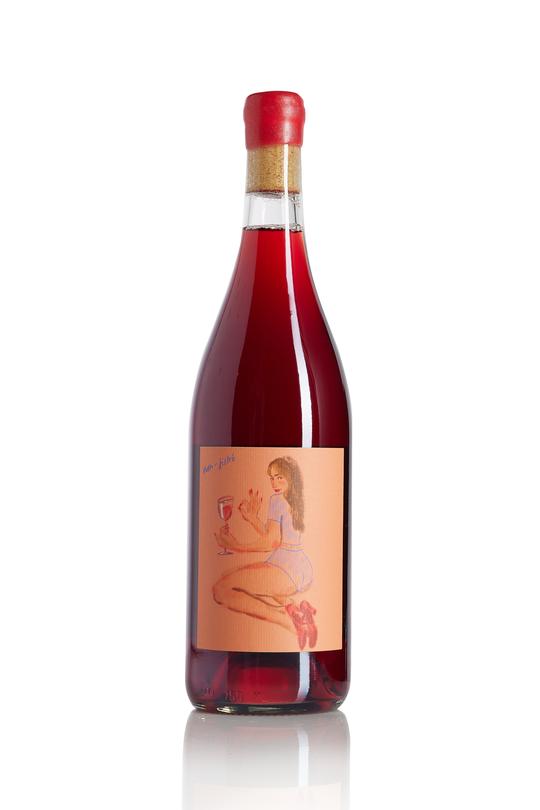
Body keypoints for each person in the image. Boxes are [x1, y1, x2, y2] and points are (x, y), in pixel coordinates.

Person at [213, 456, 317, 649]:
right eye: (271, 478)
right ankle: (298, 610)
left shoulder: (277, 500)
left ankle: (291, 624)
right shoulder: (294, 500)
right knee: (242, 581)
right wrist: (252, 519)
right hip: (299, 567)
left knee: (221, 589)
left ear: (290, 478)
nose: (274, 483)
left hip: (285, 567)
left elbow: (272, 542)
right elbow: (276, 536)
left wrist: (234, 545)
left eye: (279, 477)